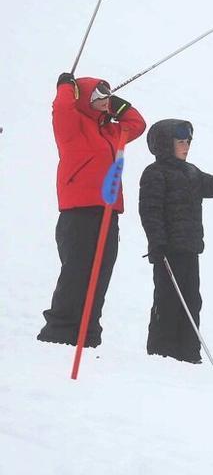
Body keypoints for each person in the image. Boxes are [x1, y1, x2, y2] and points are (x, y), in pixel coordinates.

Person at [40, 72, 146, 347]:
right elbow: (62, 108)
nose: (104, 101)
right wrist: (66, 86)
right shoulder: (72, 127)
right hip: (78, 211)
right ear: (84, 99)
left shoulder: (112, 132)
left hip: (108, 211)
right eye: (98, 96)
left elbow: (137, 123)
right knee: (77, 270)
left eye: (107, 96)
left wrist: (117, 105)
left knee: (101, 271)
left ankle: (87, 333)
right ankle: (60, 330)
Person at [138, 119, 213, 362]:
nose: (186, 146)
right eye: (180, 142)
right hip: (167, 251)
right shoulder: (155, 173)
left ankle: (189, 352)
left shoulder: (191, 172)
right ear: (165, 144)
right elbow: (150, 211)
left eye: (188, 142)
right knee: (168, 301)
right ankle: (162, 351)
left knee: (192, 300)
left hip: (190, 249)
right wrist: (157, 243)